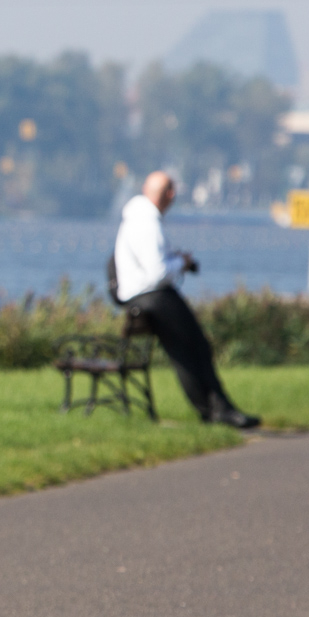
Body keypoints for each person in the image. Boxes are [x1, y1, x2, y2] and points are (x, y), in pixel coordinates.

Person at [114, 171, 260, 429]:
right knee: (196, 348)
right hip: (154, 297)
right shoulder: (147, 222)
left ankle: (214, 409)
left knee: (188, 351)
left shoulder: (137, 218)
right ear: (168, 195)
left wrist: (176, 261)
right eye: (169, 191)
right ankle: (218, 410)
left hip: (142, 296)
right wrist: (182, 262)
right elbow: (157, 272)